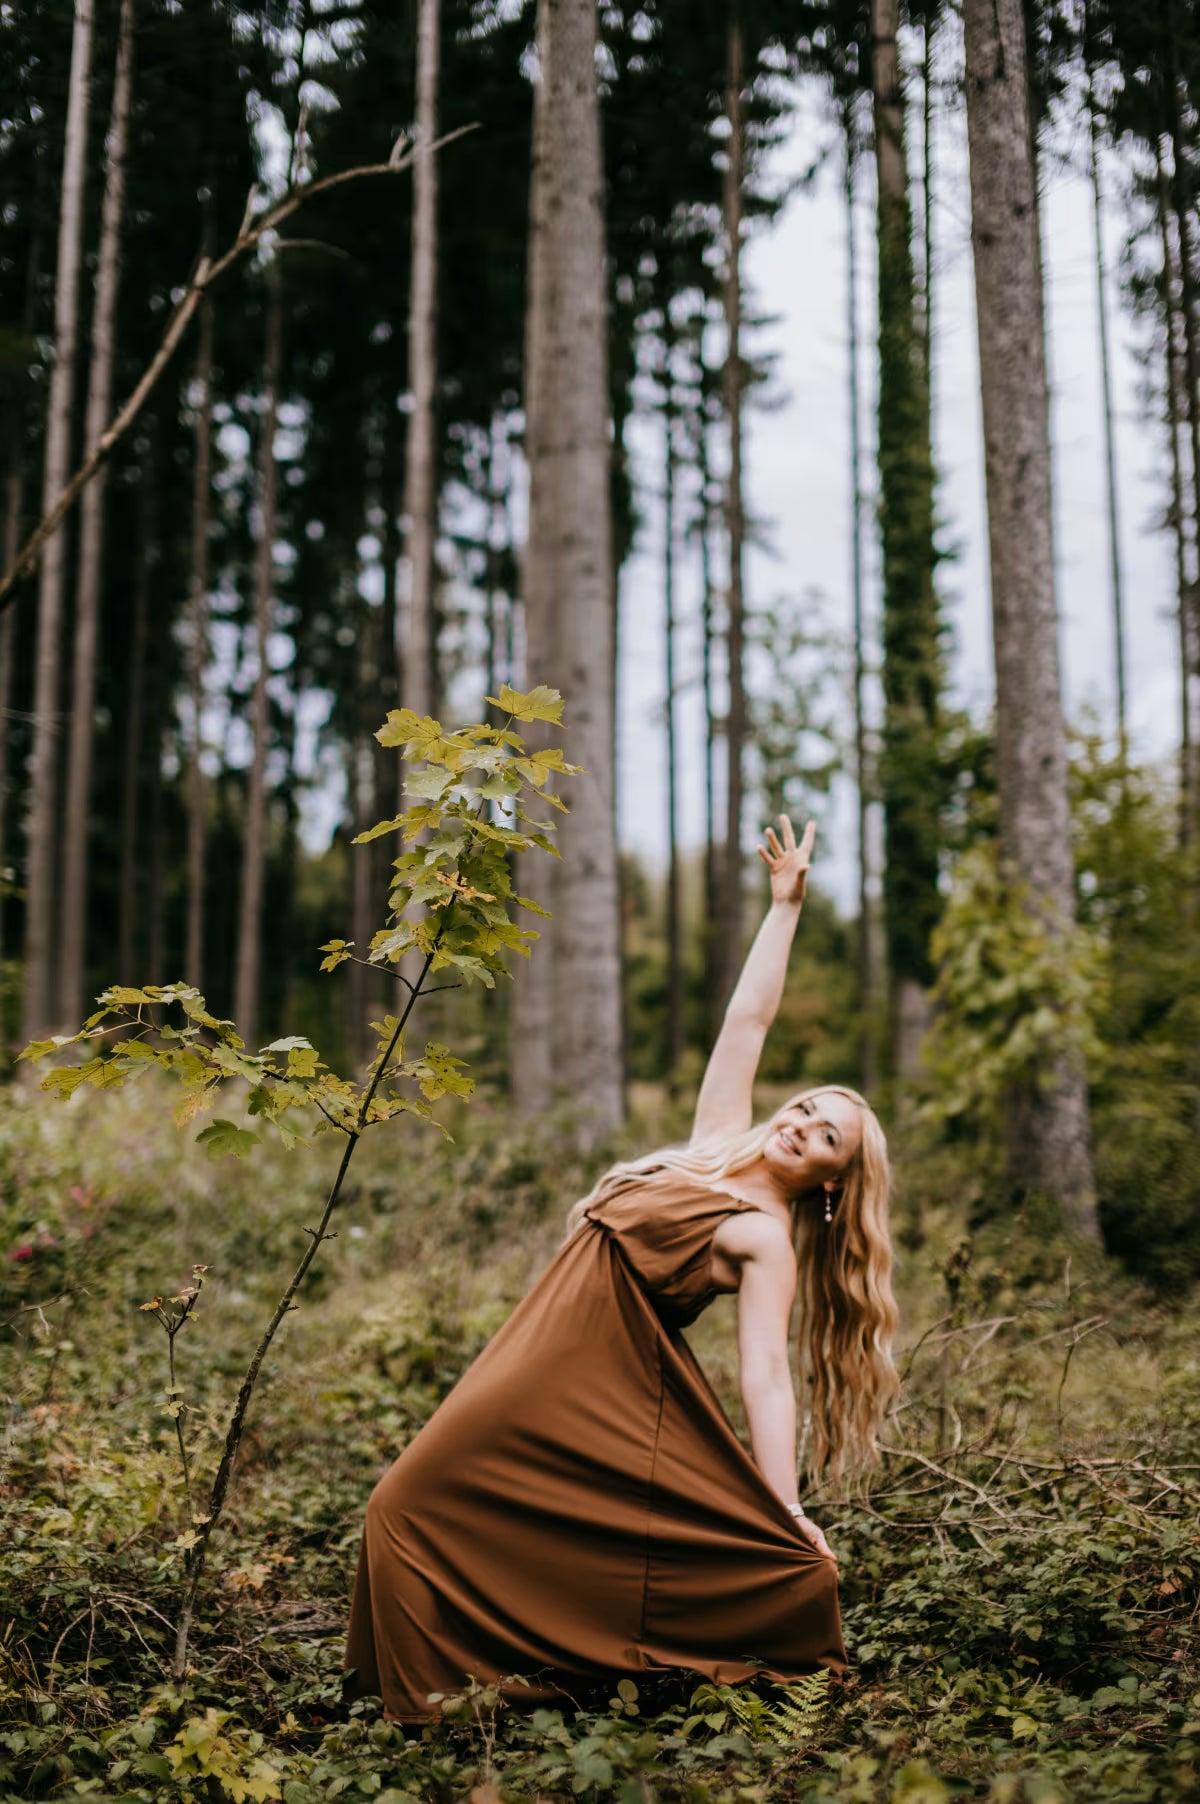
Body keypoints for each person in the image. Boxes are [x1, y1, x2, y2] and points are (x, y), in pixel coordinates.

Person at [345, 815, 899, 1723]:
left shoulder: (763, 1235)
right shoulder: (718, 1143)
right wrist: (784, 907)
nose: (799, 1122)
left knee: (405, 1500)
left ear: (833, 1182)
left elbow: (765, 1376)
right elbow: (748, 1017)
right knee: (408, 1501)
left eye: (825, 1135)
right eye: (805, 1105)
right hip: (536, 1351)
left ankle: (436, 1708)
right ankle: (422, 1691)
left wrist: (782, 1513)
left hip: (593, 1382)